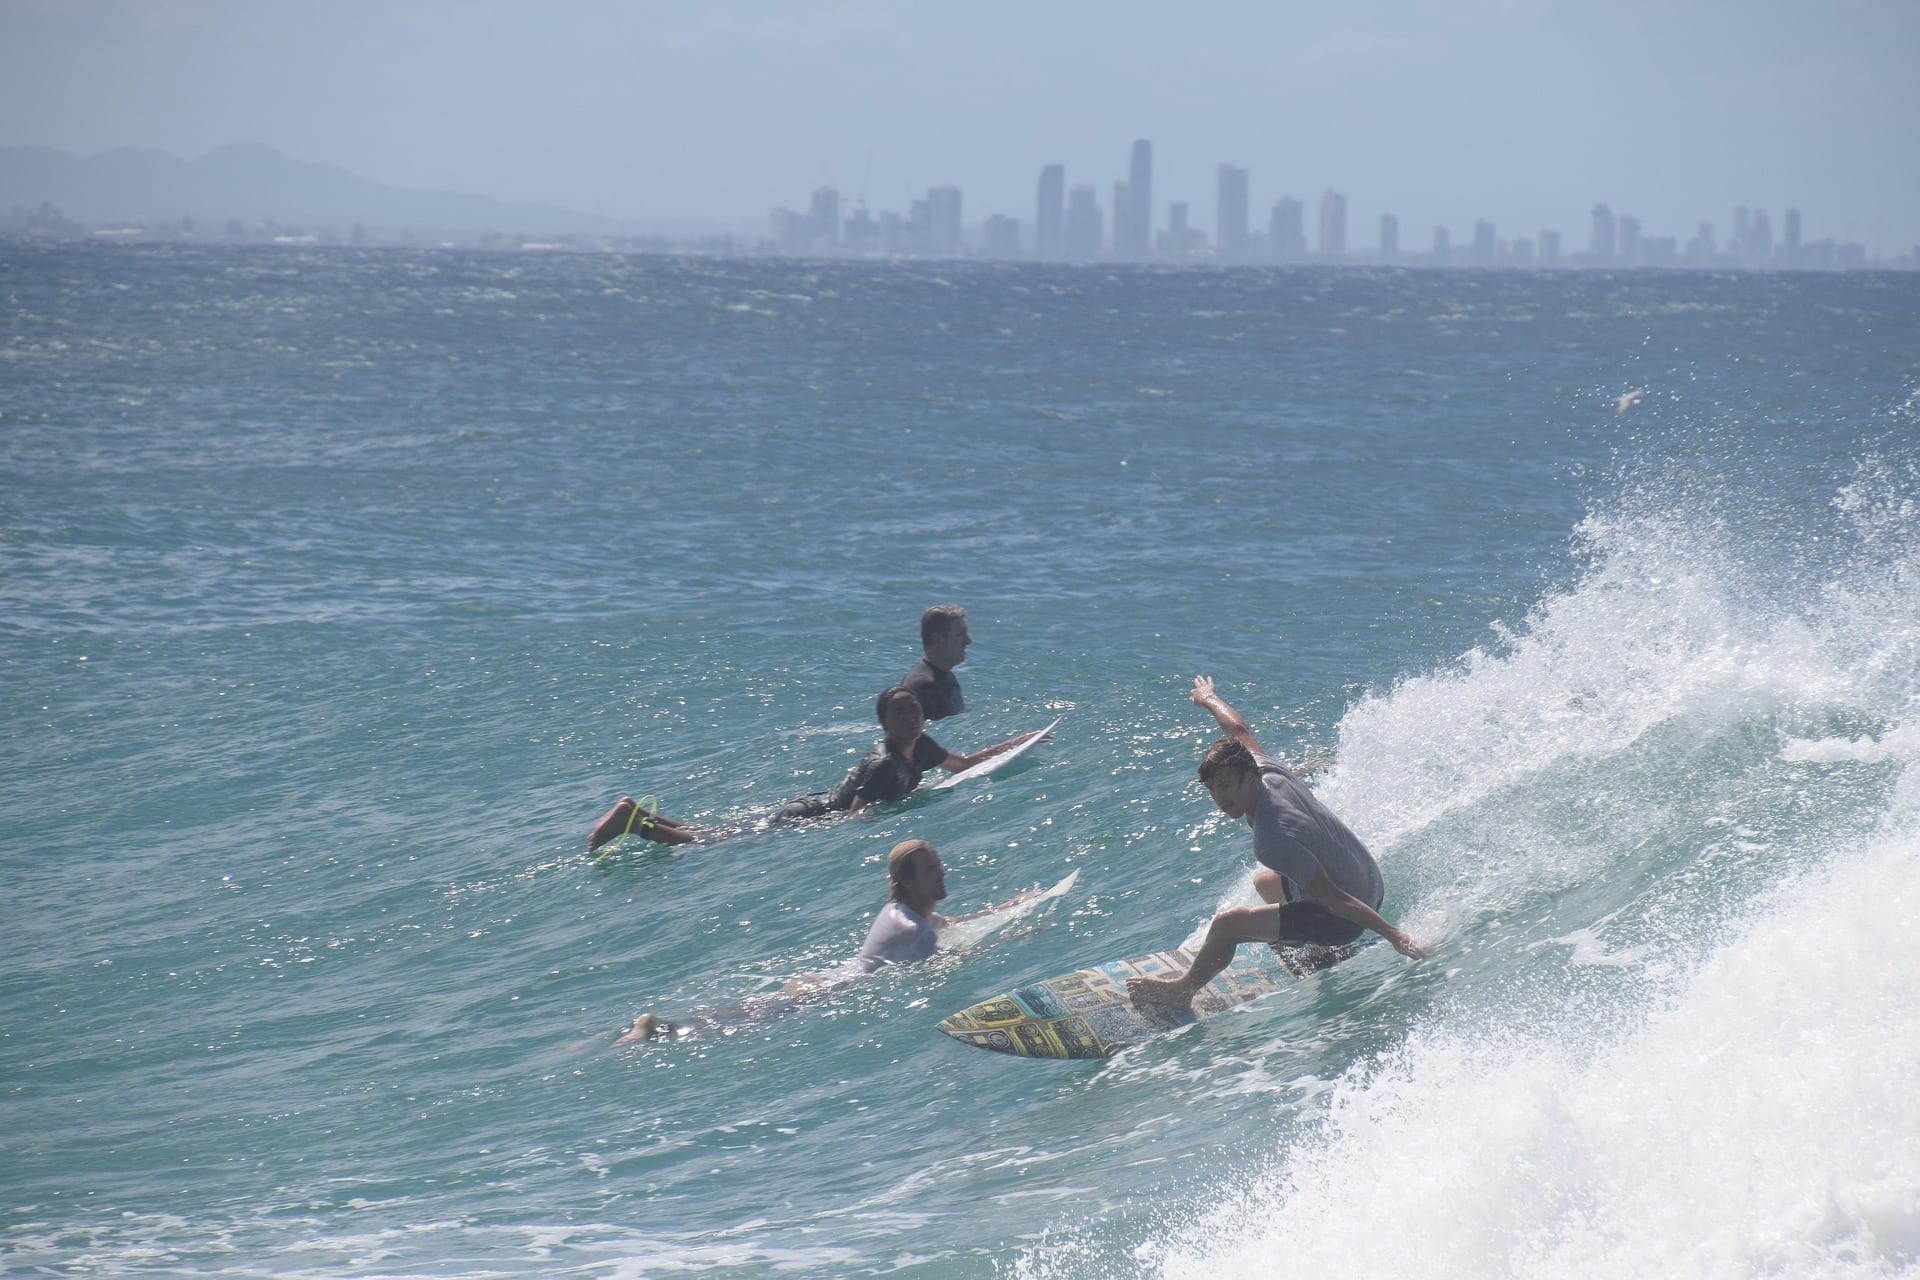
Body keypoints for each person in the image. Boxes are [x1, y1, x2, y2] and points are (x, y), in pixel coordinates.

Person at [1128, 676, 1425, 1010]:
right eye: (1213, 789)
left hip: (1347, 917)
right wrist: (1209, 698)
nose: (1220, 798)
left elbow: (1335, 897)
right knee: (1264, 883)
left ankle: (1181, 992)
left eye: (1227, 786)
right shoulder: (1266, 768)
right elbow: (1238, 729)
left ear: (1249, 778)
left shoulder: (1273, 837)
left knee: (1228, 925)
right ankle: (1326, 952)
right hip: (1370, 881)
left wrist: (1396, 936)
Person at [616, 839, 1039, 1042]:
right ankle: (663, 1028)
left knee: (746, 1012)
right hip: (835, 988)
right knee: (746, 1021)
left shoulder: (906, 912)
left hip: (827, 977)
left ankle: (661, 1026)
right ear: (907, 882)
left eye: (940, 867)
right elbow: (944, 963)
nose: (943, 875)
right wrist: (1015, 937)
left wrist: (1007, 907)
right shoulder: (915, 928)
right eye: (932, 871)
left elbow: (952, 921)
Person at [586, 685, 1039, 852]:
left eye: (915, 709)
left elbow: (964, 764)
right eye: (902, 713)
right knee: (704, 843)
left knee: (713, 832)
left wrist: (1020, 741)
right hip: (809, 814)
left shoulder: (922, 747)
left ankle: (633, 813)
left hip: (812, 805)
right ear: (884, 724)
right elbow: (854, 811)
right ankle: (633, 823)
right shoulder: (884, 763)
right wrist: (847, 838)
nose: (912, 717)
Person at [901, 605, 969, 720]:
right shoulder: (923, 685)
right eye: (960, 635)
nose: (968, 641)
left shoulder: (945, 675)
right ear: (937, 640)